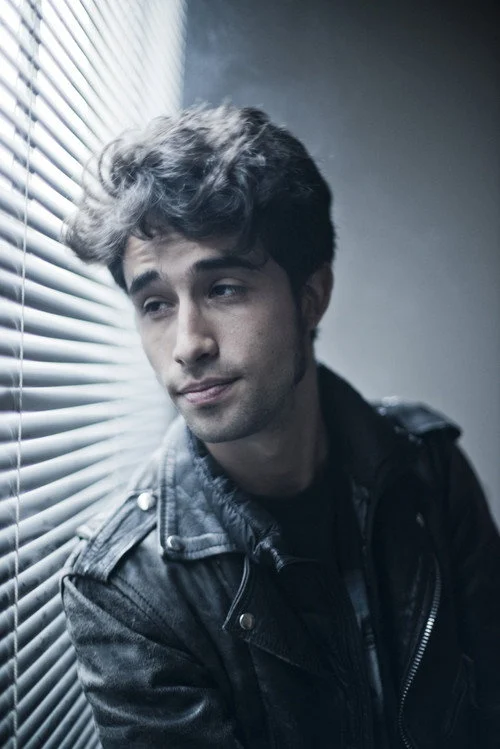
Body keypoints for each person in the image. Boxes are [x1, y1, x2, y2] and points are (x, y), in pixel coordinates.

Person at [61, 104, 500, 749]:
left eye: (224, 289)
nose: (187, 345)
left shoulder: (429, 468)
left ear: (311, 297)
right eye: (155, 304)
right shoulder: (126, 587)